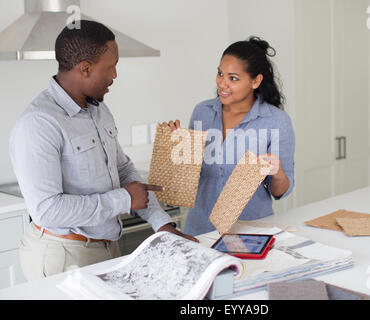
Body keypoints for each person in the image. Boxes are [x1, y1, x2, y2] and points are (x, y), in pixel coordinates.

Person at [10, 20, 196, 281]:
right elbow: (47, 209)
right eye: (111, 67)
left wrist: (163, 225)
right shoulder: (39, 124)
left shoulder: (98, 110)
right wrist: (124, 199)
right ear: (84, 68)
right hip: (63, 256)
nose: (115, 76)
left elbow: (123, 169)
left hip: (106, 247)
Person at [165, 37, 295, 236]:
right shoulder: (203, 112)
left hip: (251, 232)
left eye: (233, 78)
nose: (222, 84)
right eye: (220, 74)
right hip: (200, 231)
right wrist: (177, 148)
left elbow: (280, 192)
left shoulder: (276, 121)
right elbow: (187, 181)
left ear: (256, 81)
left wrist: (277, 172)